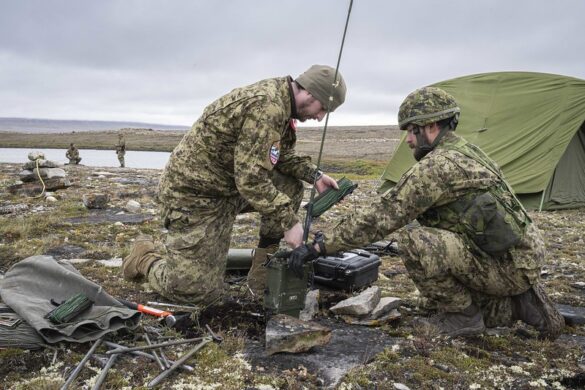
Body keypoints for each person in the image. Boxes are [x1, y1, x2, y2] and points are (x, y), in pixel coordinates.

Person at [290, 86, 564, 339]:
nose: (408, 140)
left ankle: (463, 317)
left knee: (415, 241)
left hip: (508, 265)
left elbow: (382, 216)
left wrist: (319, 246)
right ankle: (519, 304)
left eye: (412, 130)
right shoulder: (469, 151)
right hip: (519, 256)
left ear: (431, 126)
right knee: (429, 297)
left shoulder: (436, 168)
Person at [122, 65, 346, 305]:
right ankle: (144, 258)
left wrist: (315, 175)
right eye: (323, 108)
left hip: (229, 188)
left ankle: (261, 276)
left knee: (288, 187)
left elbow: (276, 156)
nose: (320, 117)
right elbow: (250, 179)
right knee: (196, 292)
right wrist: (289, 222)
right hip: (196, 197)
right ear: (310, 93)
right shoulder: (266, 106)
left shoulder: (282, 106)